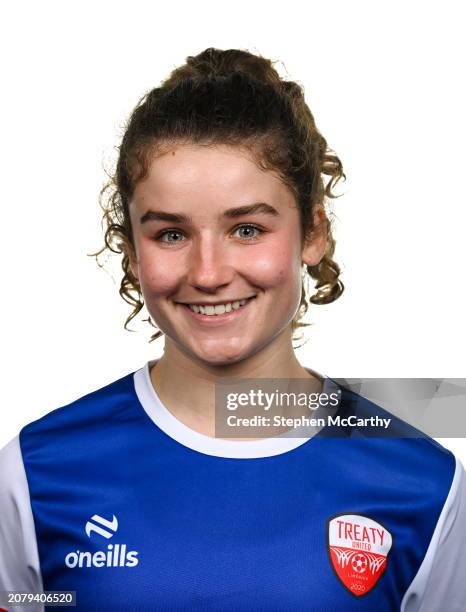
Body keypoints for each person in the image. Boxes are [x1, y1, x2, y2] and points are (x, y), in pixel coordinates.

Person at [0, 47, 465, 612]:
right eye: (170, 234)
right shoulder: (36, 472)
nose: (209, 273)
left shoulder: (423, 483)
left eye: (246, 229)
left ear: (312, 233)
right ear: (130, 251)